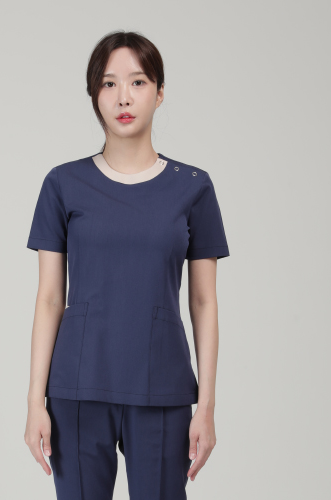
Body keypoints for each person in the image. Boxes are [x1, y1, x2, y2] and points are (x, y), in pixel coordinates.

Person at [23, 30, 230, 500]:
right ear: (94, 94)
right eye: (109, 83)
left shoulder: (193, 187)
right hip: (78, 388)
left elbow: (203, 301)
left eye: (138, 82)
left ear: (160, 92)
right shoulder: (63, 184)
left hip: (162, 388)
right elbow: (50, 298)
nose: (123, 97)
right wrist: (35, 400)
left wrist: (207, 406)